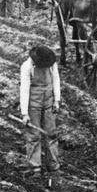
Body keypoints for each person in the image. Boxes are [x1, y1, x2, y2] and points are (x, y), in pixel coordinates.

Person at [20, 45, 61, 177]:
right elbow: (24, 90)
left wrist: (56, 100)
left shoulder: (51, 64)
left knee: (51, 134)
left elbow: (56, 80)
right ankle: (35, 167)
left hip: (49, 101)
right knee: (34, 135)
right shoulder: (27, 67)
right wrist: (25, 113)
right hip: (34, 104)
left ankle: (53, 165)